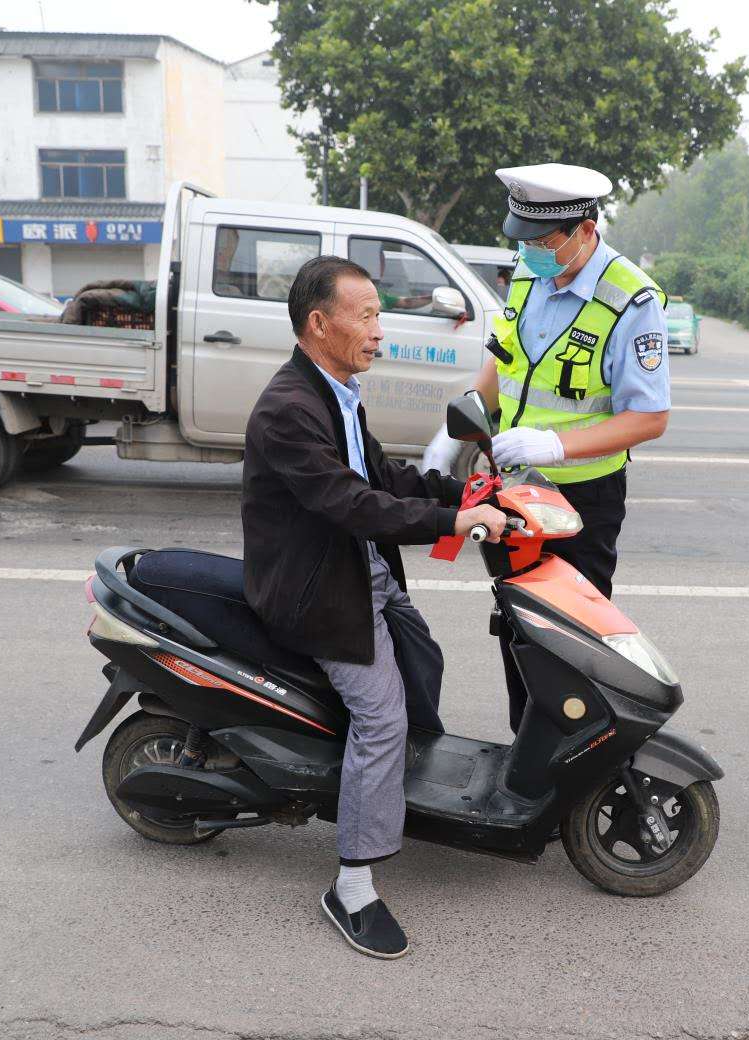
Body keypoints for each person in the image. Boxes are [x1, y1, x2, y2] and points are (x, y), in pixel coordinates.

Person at [240, 255, 508, 957]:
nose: (379, 332)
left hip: (357, 569)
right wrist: (454, 525)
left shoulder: (336, 390)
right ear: (319, 323)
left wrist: (463, 494)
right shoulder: (288, 410)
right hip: (317, 588)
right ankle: (352, 882)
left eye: (379, 315)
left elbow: (379, 474)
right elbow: (350, 504)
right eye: (366, 315)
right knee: (383, 716)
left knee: (422, 658)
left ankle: (392, 798)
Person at [420, 164, 669, 726]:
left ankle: (573, 775)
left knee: (574, 642)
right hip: (516, 495)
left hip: (581, 502)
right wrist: (453, 427)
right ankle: (526, 758)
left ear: (585, 228)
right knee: (518, 629)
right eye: (523, 237)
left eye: (542, 238)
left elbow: (650, 417)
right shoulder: (532, 275)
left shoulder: (631, 300)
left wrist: (555, 445)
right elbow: (503, 361)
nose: (529, 249)